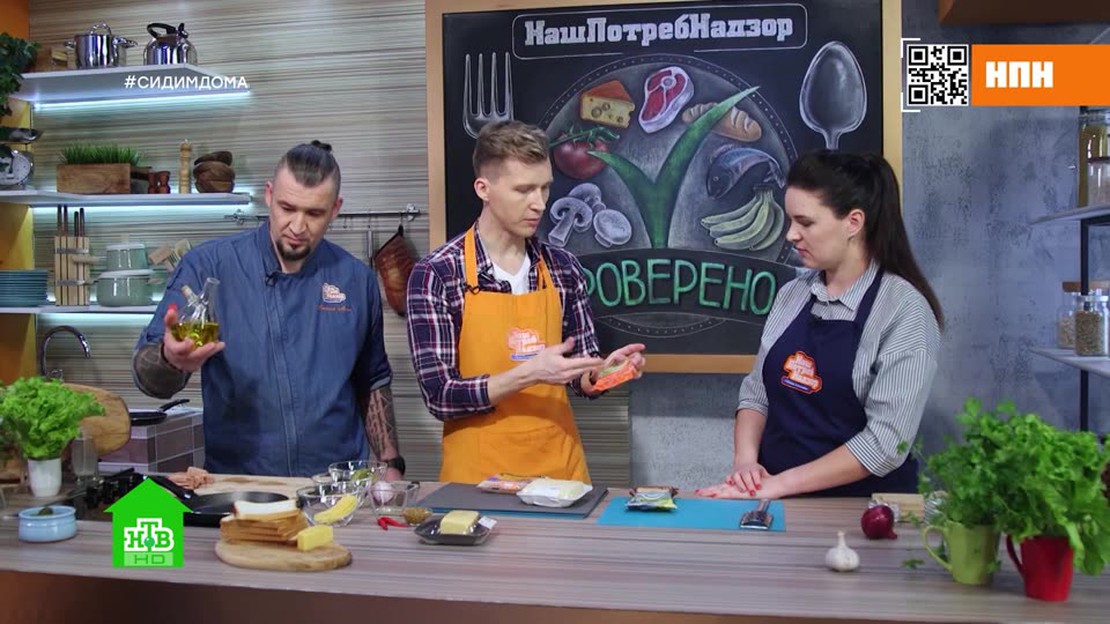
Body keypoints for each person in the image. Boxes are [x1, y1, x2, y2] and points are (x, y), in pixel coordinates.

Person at [132, 141, 404, 479]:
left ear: (335, 209)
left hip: (337, 485)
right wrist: (169, 360)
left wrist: (391, 465)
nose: (298, 226)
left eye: (314, 213)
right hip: (241, 485)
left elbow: (372, 379)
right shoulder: (208, 268)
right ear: (269, 195)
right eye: (287, 208)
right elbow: (147, 378)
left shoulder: (356, 280)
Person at [406, 121, 646, 484]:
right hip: (476, 481)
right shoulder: (437, 274)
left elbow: (580, 376)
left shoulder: (563, 268)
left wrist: (605, 373)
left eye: (544, 187)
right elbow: (440, 396)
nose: (540, 204)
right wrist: (530, 374)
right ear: (483, 189)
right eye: (523, 190)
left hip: (559, 475)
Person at [696, 150, 942, 499]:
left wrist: (779, 485)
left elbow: (885, 444)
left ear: (853, 222)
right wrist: (746, 464)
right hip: (775, 502)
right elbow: (757, 393)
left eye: (806, 223)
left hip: (863, 511)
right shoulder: (792, 295)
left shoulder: (904, 311)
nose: (791, 235)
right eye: (790, 221)